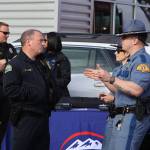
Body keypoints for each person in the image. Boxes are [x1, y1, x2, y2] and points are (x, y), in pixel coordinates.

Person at [84, 19, 150, 150]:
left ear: (135, 40)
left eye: (124, 37)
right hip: (121, 116)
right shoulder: (131, 61)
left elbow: (137, 90)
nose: (121, 41)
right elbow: (118, 90)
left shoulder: (142, 61)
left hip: (133, 116)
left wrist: (111, 78)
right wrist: (104, 78)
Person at [3, 29, 52, 150]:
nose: (44, 43)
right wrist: (36, 93)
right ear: (29, 42)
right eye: (41, 40)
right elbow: (10, 90)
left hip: (42, 116)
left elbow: (50, 85)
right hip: (26, 117)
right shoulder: (15, 64)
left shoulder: (40, 63)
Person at [0, 21, 17, 146]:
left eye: (8, 33)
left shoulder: (9, 47)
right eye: (4, 33)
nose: (7, 35)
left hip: (6, 94)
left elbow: (17, 63)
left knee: (3, 126)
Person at [43, 32, 71, 101]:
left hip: (58, 96)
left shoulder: (62, 59)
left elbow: (65, 79)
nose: (43, 43)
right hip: (43, 96)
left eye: (45, 40)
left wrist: (49, 82)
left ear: (51, 41)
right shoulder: (41, 56)